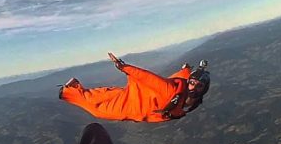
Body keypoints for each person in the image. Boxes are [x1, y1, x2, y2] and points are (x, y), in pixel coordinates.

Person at [59, 53, 210, 123]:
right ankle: (68, 90)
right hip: (130, 104)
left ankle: (71, 90)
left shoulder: (189, 98)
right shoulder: (170, 90)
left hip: (135, 102)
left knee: (99, 101)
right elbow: (148, 77)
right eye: (193, 83)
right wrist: (124, 67)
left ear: (204, 88)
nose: (194, 87)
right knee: (96, 109)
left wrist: (186, 71)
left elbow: (180, 81)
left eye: (199, 86)